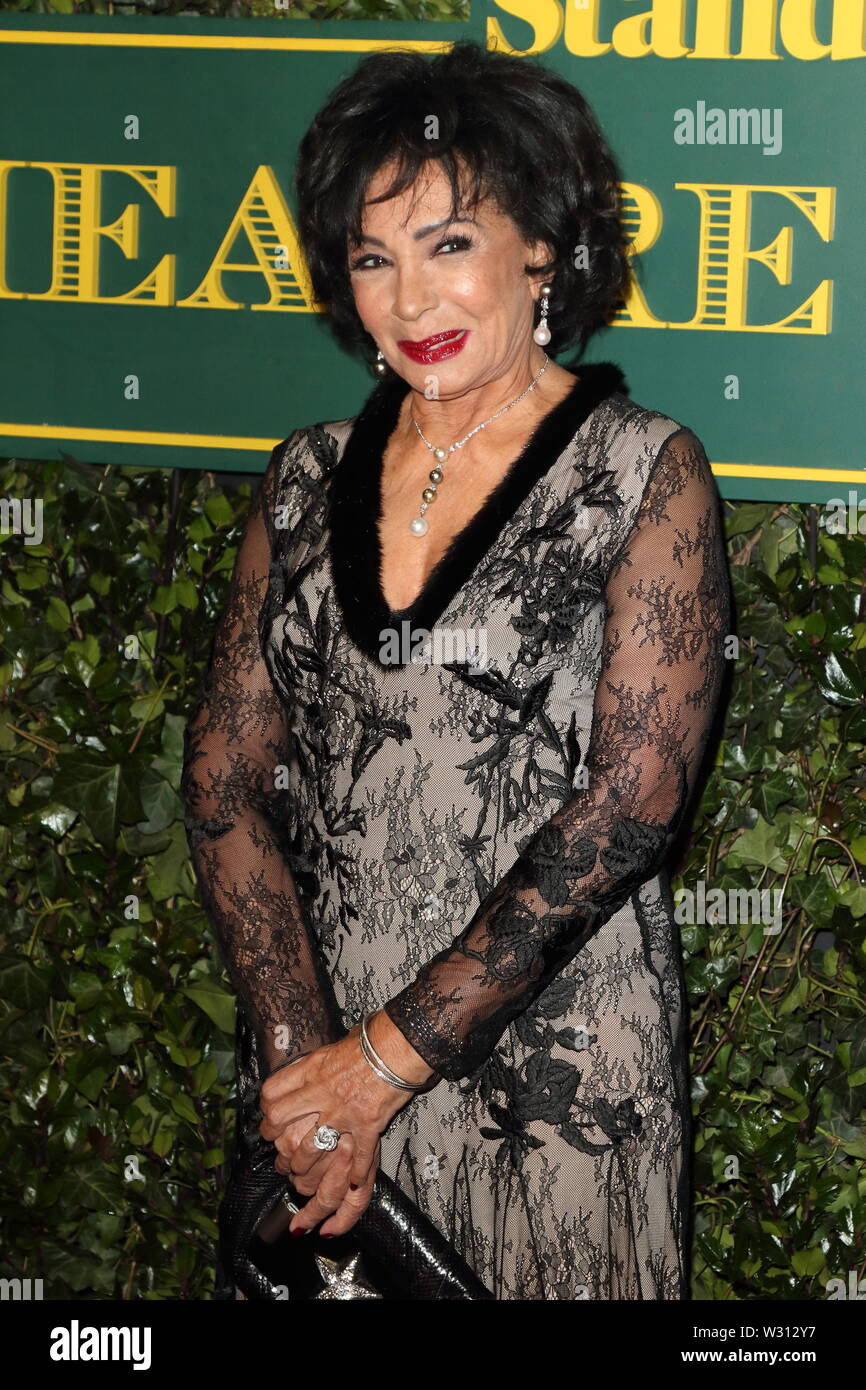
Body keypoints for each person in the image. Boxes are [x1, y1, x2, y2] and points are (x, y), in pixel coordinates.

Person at [180, 39, 731, 1301]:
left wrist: (385, 1061)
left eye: (447, 244)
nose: (409, 298)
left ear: (538, 247)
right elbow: (224, 782)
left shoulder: (639, 472)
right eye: (373, 257)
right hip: (321, 1081)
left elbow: (630, 807)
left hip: (558, 1089)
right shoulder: (305, 477)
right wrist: (305, 1066)